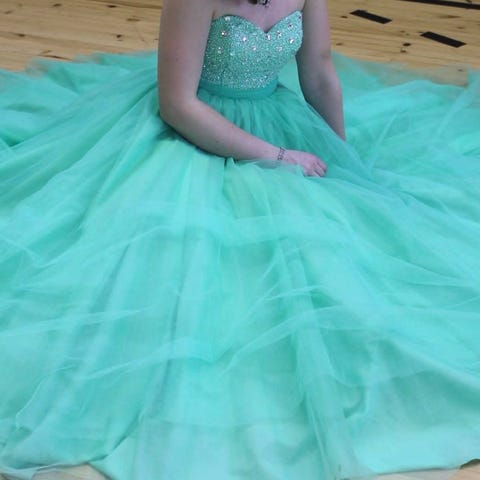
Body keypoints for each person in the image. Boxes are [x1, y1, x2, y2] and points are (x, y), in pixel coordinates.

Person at [0, 0, 479, 479]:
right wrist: (276, 155)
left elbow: (318, 73)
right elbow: (177, 104)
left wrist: (340, 157)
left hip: (275, 116)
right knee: (183, 260)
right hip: (193, 132)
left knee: (343, 255)